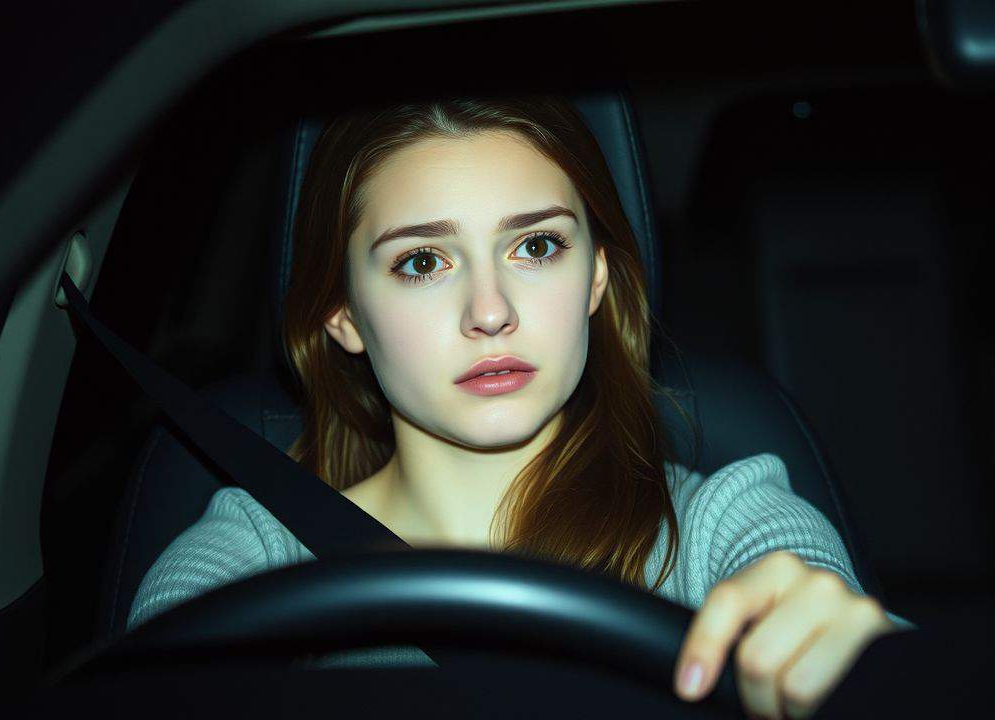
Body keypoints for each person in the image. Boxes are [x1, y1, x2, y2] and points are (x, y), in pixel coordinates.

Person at [127, 95, 913, 720]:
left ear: (598, 279)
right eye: (423, 261)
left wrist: (849, 661)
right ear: (343, 315)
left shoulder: (725, 526)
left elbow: (823, 617)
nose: (491, 311)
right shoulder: (254, 552)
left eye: (536, 246)